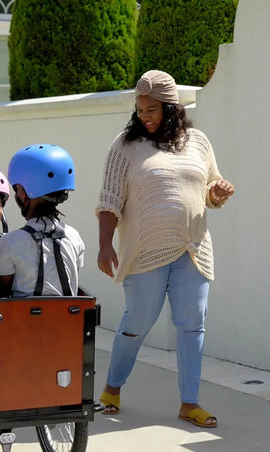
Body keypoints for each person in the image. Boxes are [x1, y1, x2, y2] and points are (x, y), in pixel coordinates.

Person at [96, 70, 234, 428]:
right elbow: (109, 199)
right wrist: (104, 245)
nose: (145, 116)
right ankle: (112, 387)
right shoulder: (124, 145)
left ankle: (190, 402)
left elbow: (210, 186)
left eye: (152, 109)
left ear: (171, 108)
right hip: (144, 251)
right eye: (140, 109)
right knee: (137, 322)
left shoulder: (199, 142)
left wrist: (217, 194)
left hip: (193, 248)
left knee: (192, 326)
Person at [0, 144, 85, 298]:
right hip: (68, 320)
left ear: (23, 192)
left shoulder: (10, 242)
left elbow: (1, 297)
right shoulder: (74, 236)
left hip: (26, 321)